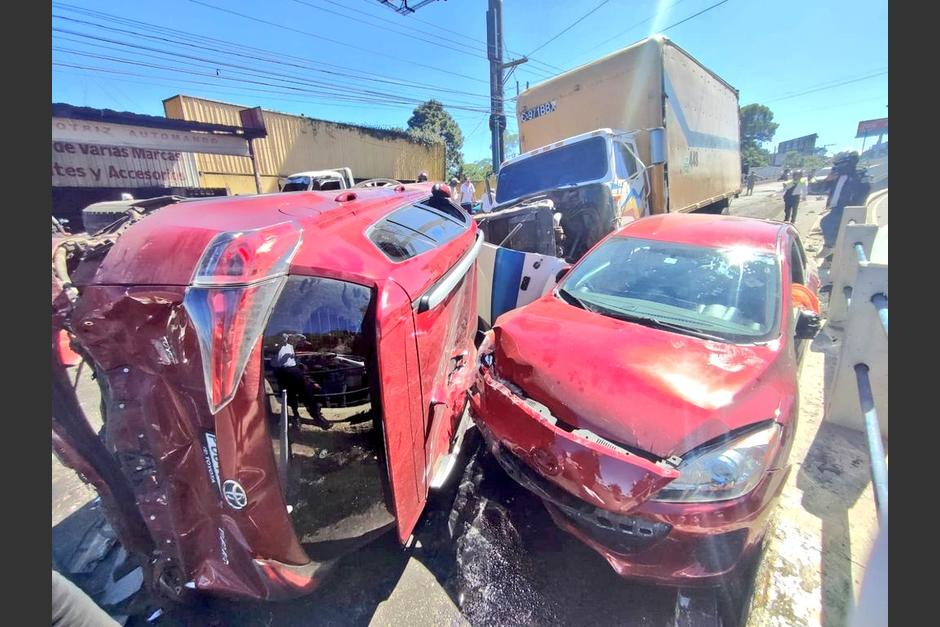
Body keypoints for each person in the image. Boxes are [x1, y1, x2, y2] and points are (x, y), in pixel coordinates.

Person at [274, 333, 331, 430]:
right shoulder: (274, 346)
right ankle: (296, 418)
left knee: (306, 394)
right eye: (281, 337)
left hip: (293, 371)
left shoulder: (291, 345)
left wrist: (292, 336)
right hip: (282, 373)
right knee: (290, 397)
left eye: (284, 337)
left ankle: (318, 417)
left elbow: (301, 337)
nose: (283, 339)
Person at [819, 151, 871, 249]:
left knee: (826, 223)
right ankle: (830, 255)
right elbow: (818, 189)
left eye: (839, 164)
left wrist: (852, 208)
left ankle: (830, 247)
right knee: (833, 230)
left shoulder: (859, 176)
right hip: (834, 208)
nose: (836, 167)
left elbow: (865, 192)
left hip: (846, 209)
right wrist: (827, 180)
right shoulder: (836, 176)